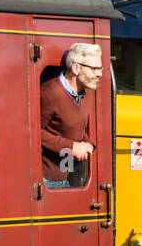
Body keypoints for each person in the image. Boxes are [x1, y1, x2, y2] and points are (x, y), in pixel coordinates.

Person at [40, 42, 101, 190]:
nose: (99, 74)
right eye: (94, 69)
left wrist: (88, 144)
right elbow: (31, 132)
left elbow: (79, 126)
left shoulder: (88, 91)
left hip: (72, 175)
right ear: (76, 68)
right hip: (48, 180)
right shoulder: (50, 93)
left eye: (100, 68)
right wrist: (71, 147)